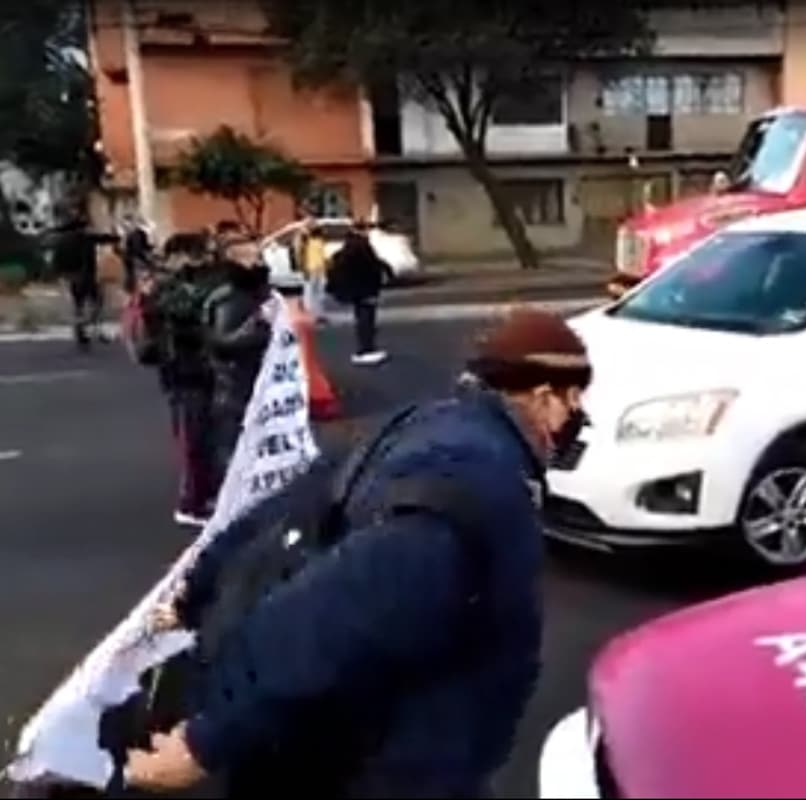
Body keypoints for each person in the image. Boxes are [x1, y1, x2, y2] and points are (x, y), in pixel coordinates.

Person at [125, 309, 593, 798]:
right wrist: (207, 744)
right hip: (395, 767)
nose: (576, 417)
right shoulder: (477, 483)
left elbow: (286, 505)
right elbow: (334, 616)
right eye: (573, 399)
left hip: (369, 750)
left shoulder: (419, 425)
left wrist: (197, 588)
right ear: (543, 397)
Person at [142, 232, 226, 527]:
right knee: (195, 437)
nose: (202, 261)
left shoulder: (178, 283)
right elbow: (182, 313)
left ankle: (207, 492)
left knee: (208, 435)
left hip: (196, 370)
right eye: (197, 255)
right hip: (183, 371)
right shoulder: (166, 286)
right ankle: (192, 503)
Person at [204, 233, 272, 484]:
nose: (259, 262)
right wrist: (261, 329)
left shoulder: (253, 291)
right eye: (252, 257)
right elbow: (222, 342)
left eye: (259, 256)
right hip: (235, 385)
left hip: (252, 381)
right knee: (234, 445)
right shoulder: (230, 297)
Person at [329, 221, 390, 366]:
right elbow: (370, 266)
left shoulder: (350, 245)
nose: (369, 232)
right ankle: (366, 349)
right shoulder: (360, 245)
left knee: (363, 317)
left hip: (358, 289)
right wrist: (380, 276)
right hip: (364, 288)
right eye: (367, 229)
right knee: (366, 319)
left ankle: (366, 348)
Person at [51, 216, 115, 351]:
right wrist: (115, 235)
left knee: (78, 305)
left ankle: (81, 333)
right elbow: (106, 239)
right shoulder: (85, 238)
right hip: (86, 276)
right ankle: (92, 329)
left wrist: (62, 275)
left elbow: (56, 262)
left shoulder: (61, 242)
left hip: (72, 277)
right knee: (96, 302)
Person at [300, 219, 329, 323]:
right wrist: (304, 269)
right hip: (311, 269)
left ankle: (319, 315)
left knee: (319, 293)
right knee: (310, 293)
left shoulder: (320, 241)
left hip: (320, 269)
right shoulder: (306, 241)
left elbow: (323, 256)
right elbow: (303, 256)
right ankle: (311, 315)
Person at [121, 214, 154, 294]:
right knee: (136, 280)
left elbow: (139, 248)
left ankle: (134, 293)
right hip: (135, 261)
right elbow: (141, 248)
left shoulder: (134, 234)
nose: (126, 226)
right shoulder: (135, 234)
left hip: (134, 261)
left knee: (135, 279)